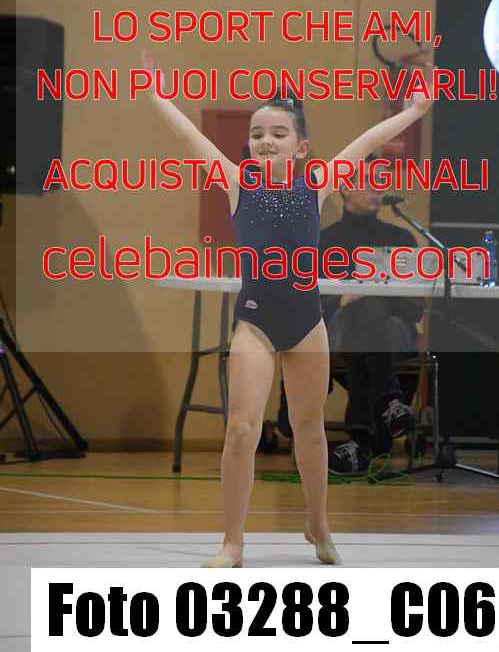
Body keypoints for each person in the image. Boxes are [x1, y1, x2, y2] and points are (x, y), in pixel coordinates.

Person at [141, 50, 434, 567]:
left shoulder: (316, 185)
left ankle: (317, 524)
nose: (265, 141)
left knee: (310, 429)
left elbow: (366, 142)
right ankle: (233, 542)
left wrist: (413, 111)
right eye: (257, 133)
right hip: (256, 322)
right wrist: (158, 97)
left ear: (300, 148)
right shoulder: (238, 183)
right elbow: (191, 139)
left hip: (305, 323)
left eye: (277, 133)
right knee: (241, 429)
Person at [318, 158, 424, 476]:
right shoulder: (324, 241)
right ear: (345, 188)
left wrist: (376, 297)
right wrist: (343, 300)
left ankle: (360, 441)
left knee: (368, 315)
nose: (378, 188)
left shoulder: (402, 240)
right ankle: (388, 401)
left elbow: (415, 308)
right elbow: (310, 301)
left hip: (390, 330)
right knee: (361, 317)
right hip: (339, 327)